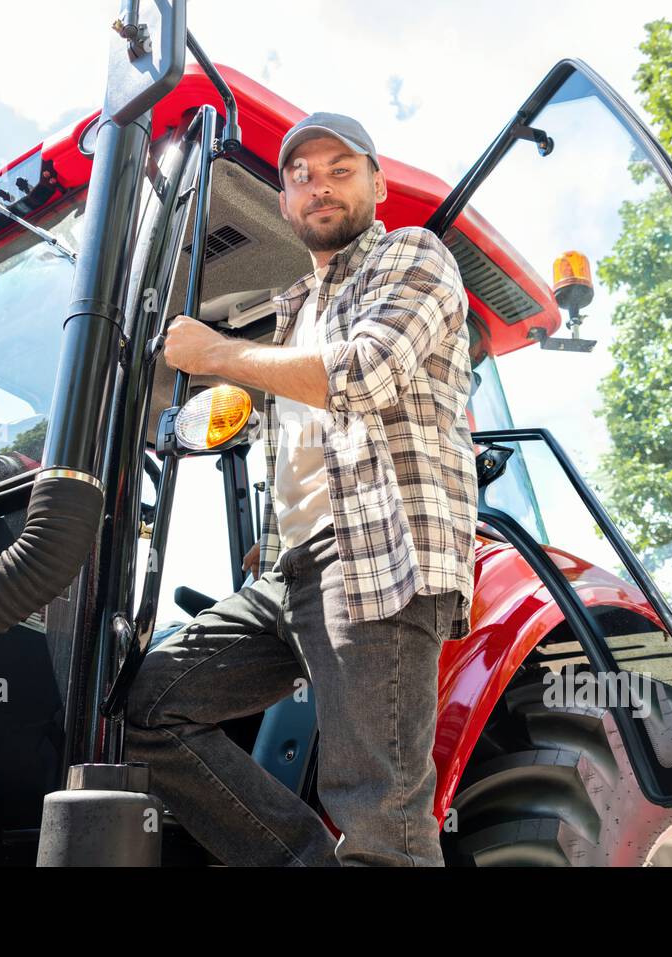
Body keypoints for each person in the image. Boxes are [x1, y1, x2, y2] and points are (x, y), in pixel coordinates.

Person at [124, 111, 478, 866]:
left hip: (375, 560)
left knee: (382, 817)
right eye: (300, 175)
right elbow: (302, 448)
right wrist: (276, 534)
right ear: (284, 201)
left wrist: (216, 350)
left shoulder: (415, 256)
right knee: (149, 708)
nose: (318, 186)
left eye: (340, 169)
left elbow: (362, 374)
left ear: (377, 184)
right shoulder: (293, 309)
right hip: (292, 573)